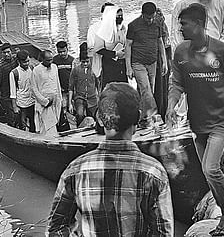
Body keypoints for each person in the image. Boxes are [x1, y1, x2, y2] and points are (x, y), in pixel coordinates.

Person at [166, 4, 224, 236]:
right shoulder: (181, 52)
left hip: (222, 120)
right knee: (210, 171)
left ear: (198, 24)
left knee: (210, 169)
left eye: (184, 24)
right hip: (197, 123)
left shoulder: (223, 51)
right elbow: (176, 83)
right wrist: (171, 104)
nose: (180, 29)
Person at [47, 82, 174, 236]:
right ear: (138, 117)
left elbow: (56, 229)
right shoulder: (154, 172)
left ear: (100, 119)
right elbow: (163, 233)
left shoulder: (75, 170)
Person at [125, 2, 168, 127]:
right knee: (146, 89)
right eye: (147, 17)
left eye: (152, 17)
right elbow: (128, 46)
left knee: (148, 91)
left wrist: (164, 61)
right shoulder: (133, 25)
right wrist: (128, 67)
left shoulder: (157, 23)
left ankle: (141, 119)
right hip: (138, 63)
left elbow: (160, 42)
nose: (150, 20)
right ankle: (155, 116)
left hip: (152, 62)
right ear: (142, 14)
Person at [89, 3, 127, 89]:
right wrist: (115, 54)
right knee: (110, 90)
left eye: (121, 16)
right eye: (118, 16)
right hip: (109, 64)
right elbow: (98, 49)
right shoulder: (102, 29)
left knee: (123, 91)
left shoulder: (123, 28)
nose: (120, 18)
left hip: (122, 63)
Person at [68, 43, 98, 128]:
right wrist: (70, 103)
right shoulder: (75, 70)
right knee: (80, 115)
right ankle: (79, 130)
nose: (85, 64)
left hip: (92, 97)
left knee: (94, 116)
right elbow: (71, 87)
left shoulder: (94, 69)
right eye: (83, 62)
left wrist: (99, 97)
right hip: (79, 97)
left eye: (87, 62)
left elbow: (98, 85)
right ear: (80, 61)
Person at [32, 50, 62, 136]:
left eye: (51, 59)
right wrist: (44, 101)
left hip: (55, 101)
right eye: (48, 60)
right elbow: (34, 89)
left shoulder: (54, 67)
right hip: (45, 102)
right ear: (42, 59)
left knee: (55, 122)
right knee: (46, 127)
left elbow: (57, 83)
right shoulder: (36, 70)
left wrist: (59, 99)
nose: (50, 62)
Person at [9, 49, 36, 132]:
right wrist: (14, 107)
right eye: (24, 62)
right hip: (22, 103)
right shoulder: (14, 73)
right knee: (22, 125)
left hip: (33, 101)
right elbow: (13, 91)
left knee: (33, 123)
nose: (27, 64)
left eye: (28, 61)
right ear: (18, 61)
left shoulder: (32, 68)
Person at [0, 43, 18, 125]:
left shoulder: (15, 59)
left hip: (17, 90)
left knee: (18, 112)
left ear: (11, 51)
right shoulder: (0, 65)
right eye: (4, 53)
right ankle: (11, 128)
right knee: (10, 113)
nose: (7, 54)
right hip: (6, 92)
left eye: (8, 52)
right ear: (1, 53)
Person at [52, 41, 75, 117]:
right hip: (61, 89)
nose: (62, 54)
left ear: (67, 49)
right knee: (63, 106)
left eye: (64, 51)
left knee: (72, 107)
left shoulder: (72, 60)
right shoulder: (54, 60)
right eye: (60, 52)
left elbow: (74, 76)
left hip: (71, 89)